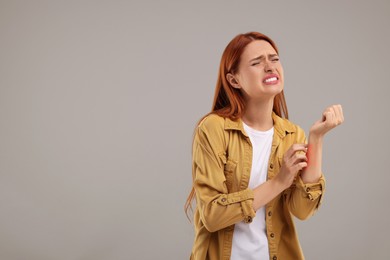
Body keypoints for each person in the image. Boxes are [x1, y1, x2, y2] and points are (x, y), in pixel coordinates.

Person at [184, 32, 344, 260]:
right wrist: (279, 182)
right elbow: (212, 215)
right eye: (257, 62)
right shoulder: (213, 128)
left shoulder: (291, 133)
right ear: (234, 80)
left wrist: (316, 139)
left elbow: (302, 210)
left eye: (274, 59)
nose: (270, 67)